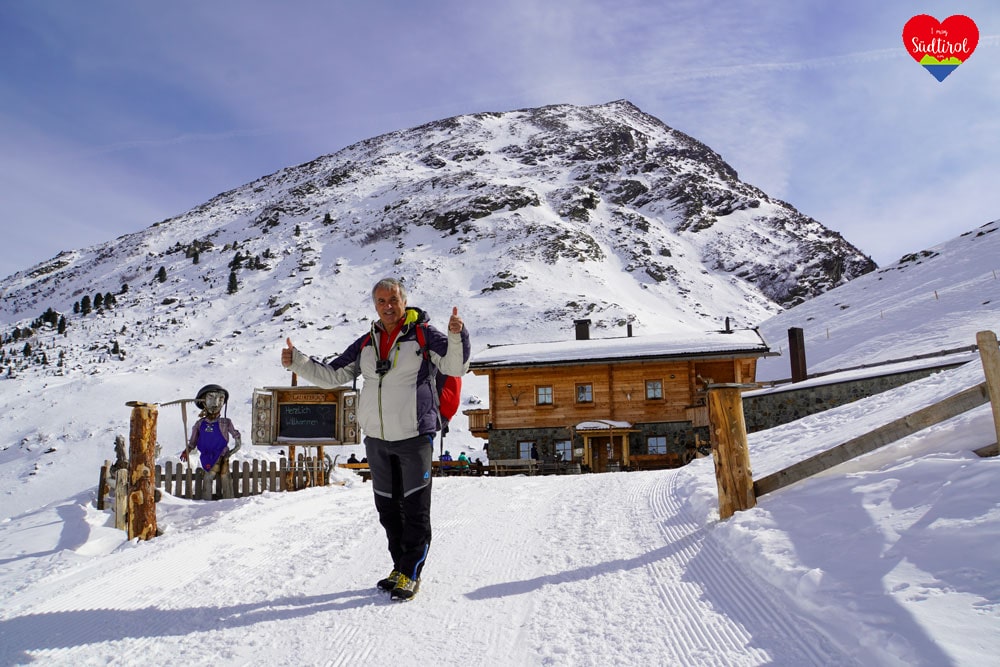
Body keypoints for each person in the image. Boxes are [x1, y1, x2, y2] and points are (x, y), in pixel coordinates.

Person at [281, 277, 470, 601]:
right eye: (381, 301)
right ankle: (399, 567)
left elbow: (457, 365)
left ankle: (411, 573)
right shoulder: (366, 343)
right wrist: (297, 361)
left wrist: (456, 335)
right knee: (387, 511)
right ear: (375, 305)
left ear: (404, 301)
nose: (387, 306)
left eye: (393, 300)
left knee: (415, 511)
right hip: (378, 441)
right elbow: (335, 375)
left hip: (414, 437)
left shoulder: (424, 335)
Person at [181, 384, 242, 500]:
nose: (216, 402)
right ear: (203, 402)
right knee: (208, 478)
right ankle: (206, 503)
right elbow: (193, 442)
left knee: (225, 477)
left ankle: (229, 502)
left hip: (223, 455)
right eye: (211, 398)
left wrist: (235, 448)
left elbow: (236, 435)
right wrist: (187, 450)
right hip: (207, 456)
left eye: (220, 398)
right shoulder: (200, 424)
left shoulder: (226, 422)